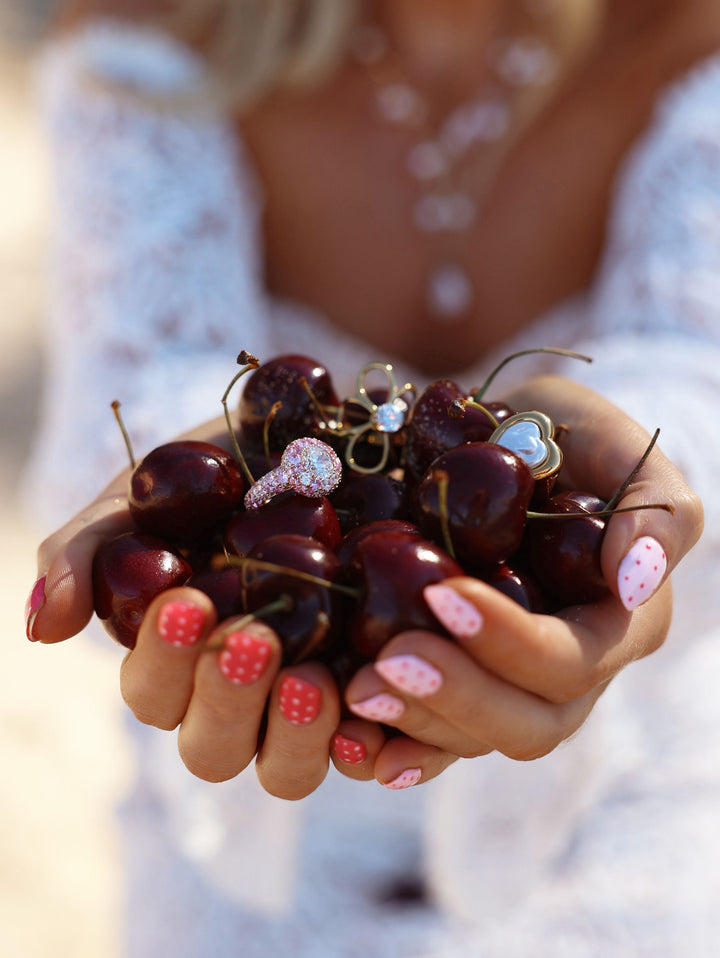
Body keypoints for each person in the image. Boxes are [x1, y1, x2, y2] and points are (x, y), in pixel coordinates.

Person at [22, 0, 720, 954]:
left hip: (623, 810)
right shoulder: (155, 32)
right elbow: (137, 379)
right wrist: (202, 494)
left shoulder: (690, 35)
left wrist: (629, 493)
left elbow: (703, 369)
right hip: (246, 852)